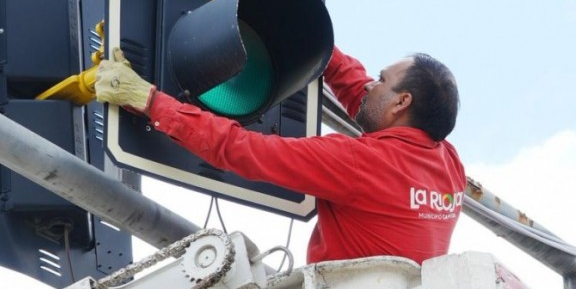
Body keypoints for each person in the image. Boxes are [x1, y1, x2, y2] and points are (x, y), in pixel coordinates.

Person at [95, 45, 465, 265]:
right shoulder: (449, 165)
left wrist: (150, 102)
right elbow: (364, 99)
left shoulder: (357, 163)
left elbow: (240, 149)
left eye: (381, 80)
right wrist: (310, 37)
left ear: (402, 102)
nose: (369, 85)